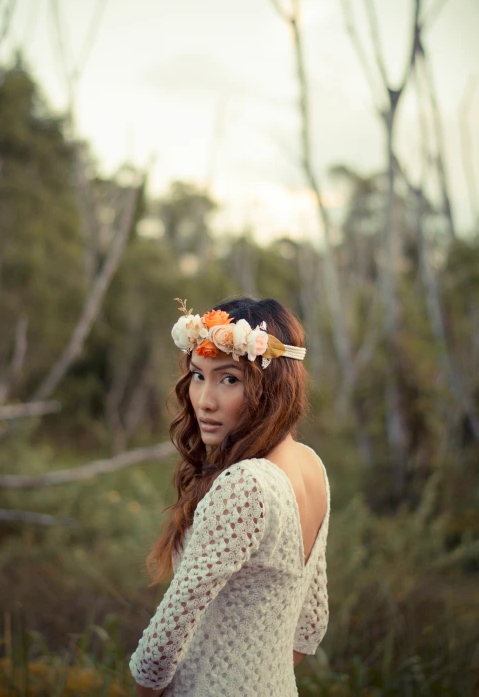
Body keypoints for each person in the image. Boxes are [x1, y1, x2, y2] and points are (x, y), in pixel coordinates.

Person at [129, 296, 330, 697]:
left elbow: (161, 645)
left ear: (271, 386)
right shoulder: (311, 466)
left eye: (230, 379)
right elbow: (310, 626)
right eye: (199, 375)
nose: (204, 400)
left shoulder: (246, 484)